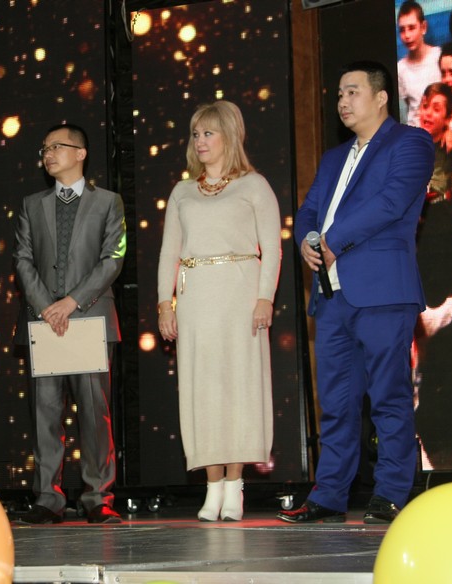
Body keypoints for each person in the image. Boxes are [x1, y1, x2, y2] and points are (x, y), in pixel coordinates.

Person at [278, 61, 434, 524]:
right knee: (337, 404)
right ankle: (329, 495)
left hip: (383, 291)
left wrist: (332, 240)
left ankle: (391, 492)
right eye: (340, 93)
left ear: (381, 97)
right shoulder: (333, 158)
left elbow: (391, 202)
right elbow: (309, 210)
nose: (342, 101)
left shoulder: (410, 142)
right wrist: (306, 241)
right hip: (332, 295)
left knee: (389, 396)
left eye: (352, 91)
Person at [157, 100, 281, 522]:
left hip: (240, 296)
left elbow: (272, 248)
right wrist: (164, 303)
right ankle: (212, 487)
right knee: (203, 390)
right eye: (196, 134)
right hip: (195, 299)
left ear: (229, 135)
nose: (200, 141)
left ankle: (234, 485)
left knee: (238, 387)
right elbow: (169, 252)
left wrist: (265, 297)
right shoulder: (182, 191)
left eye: (208, 132)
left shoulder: (254, 185)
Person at [12, 123, 126, 524]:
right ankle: (48, 497)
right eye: (44, 149)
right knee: (44, 412)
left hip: (89, 318)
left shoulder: (108, 201)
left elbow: (113, 257)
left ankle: (98, 496)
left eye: (56, 147)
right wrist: (48, 307)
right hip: (45, 321)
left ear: (80, 153)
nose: (48, 154)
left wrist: (71, 301)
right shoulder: (32, 204)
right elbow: (22, 259)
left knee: (94, 413)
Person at [397, 0, 443, 127]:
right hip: (415, 132)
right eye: (402, 30)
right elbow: (407, 107)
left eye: (412, 28)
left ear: (423, 27)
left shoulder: (439, 56)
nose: (407, 35)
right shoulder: (400, 68)